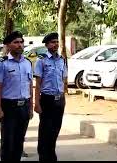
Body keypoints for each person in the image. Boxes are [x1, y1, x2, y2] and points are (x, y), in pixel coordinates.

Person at [0, 31, 33, 161]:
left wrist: (31, 107)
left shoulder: (27, 63)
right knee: (7, 142)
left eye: (21, 42)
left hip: (24, 105)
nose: (19, 45)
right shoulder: (1, 64)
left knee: (19, 141)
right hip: (8, 106)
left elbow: (30, 85)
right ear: (8, 46)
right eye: (16, 42)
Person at [34, 32, 67, 161]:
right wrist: (36, 103)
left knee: (56, 128)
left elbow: (63, 80)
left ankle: (51, 153)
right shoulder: (41, 60)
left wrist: (64, 98)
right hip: (46, 99)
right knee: (45, 129)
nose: (56, 44)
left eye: (57, 42)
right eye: (53, 42)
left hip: (59, 99)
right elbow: (38, 84)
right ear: (47, 45)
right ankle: (43, 155)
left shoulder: (62, 60)